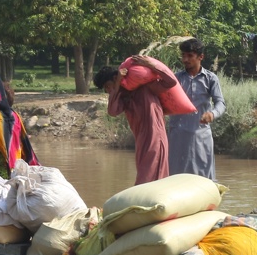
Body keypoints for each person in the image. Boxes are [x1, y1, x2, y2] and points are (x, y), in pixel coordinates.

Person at [95, 56, 173, 185]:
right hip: (141, 138)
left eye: (108, 86)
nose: (109, 91)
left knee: (148, 175)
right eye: (106, 89)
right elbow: (112, 112)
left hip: (155, 134)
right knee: (145, 171)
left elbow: (170, 82)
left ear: (114, 78)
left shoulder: (146, 86)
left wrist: (151, 65)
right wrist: (117, 86)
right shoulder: (122, 96)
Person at [171, 38, 225, 179]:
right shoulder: (175, 79)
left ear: (200, 57)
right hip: (178, 137)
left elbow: (220, 103)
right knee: (176, 177)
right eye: (183, 55)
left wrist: (212, 114)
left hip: (201, 137)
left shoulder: (210, 79)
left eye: (190, 56)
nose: (185, 59)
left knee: (204, 178)